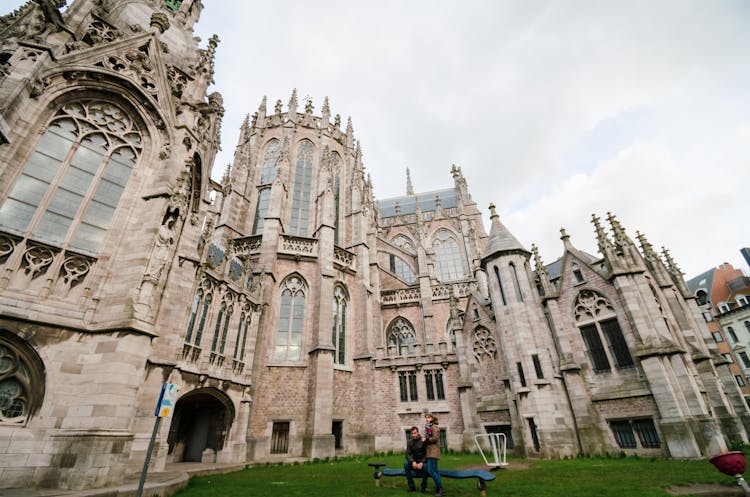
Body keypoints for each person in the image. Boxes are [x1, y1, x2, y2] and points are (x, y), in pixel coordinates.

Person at [422, 413, 443, 496]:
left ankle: (440, 489)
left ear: (432, 418)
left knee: (431, 471)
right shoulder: (428, 427)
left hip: (433, 452)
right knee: (435, 471)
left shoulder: (434, 427)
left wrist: (426, 439)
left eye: (429, 418)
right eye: (426, 418)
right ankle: (439, 488)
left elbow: (435, 438)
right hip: (429, 452)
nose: (427, 419)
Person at [404, 426, 427, 492]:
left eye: (415, 433)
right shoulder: (410, 442)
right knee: (406, 464)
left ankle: (423, 486)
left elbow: (427, 454)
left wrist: (422, 462)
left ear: (418, 433)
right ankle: (411, 486)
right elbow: (407, 454)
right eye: (412, 433)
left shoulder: (423, 440)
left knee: (426, 467)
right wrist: (412, 461)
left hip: (423, 462)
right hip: (414, 462)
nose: (413, 435)